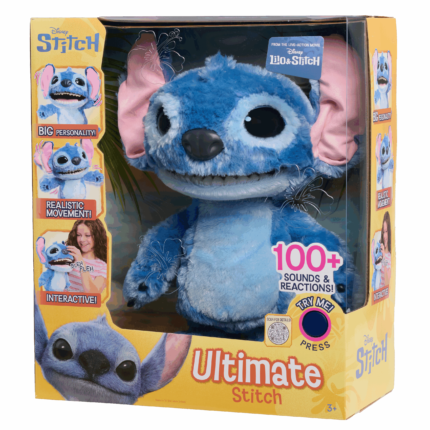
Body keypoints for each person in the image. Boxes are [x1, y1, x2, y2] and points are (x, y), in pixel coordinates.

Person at [66, 219, 108, 293]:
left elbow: (93, 293)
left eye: (87, 235)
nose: (82, 239)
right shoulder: (70, 256)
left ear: (97, 236)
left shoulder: (103, 266)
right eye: (78, 235)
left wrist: (81, 262)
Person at [380, 211, 392, 287]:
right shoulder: (380, 251)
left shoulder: (390, 257)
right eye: (383, 232)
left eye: (386, 231)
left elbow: (387, 283)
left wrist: (384, 256)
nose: (384, 235)